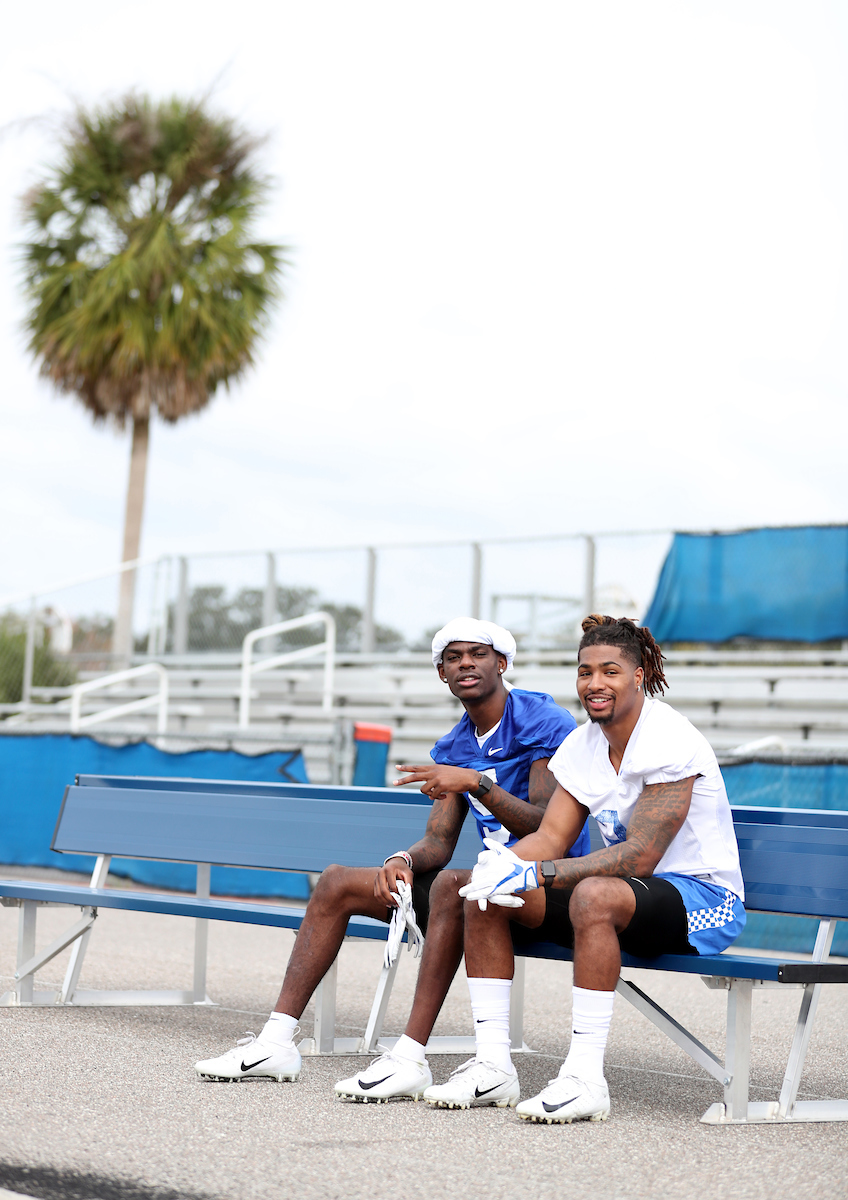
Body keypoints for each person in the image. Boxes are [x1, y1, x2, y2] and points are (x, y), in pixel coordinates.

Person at [195, 617, 588, 1098]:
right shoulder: (454, 745)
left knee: (454, 885)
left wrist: (477, 782)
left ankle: (410, 1056)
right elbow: (438, 843)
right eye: (453, 658)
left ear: (502, 663)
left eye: (478, 654)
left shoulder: (541, 719)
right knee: (337, 881)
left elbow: (549, 829)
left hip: (550, 883)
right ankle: (275, 1042)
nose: (465, 664)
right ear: (442, 673)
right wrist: (402, 859)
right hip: (484, 888)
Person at [420, 614, 745, 1121]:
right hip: (623, 896)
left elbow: (640, 855)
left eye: (610, 671)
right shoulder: (583, 744)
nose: (595, 683)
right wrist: (503, 866)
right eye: (585, 672)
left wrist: (538, 874)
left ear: (639, 676)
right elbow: (551, 837)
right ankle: (492, 1065)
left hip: (704, 900)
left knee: (594, 894)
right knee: (480, 892)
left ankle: (585, 1077)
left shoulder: (669, 737)